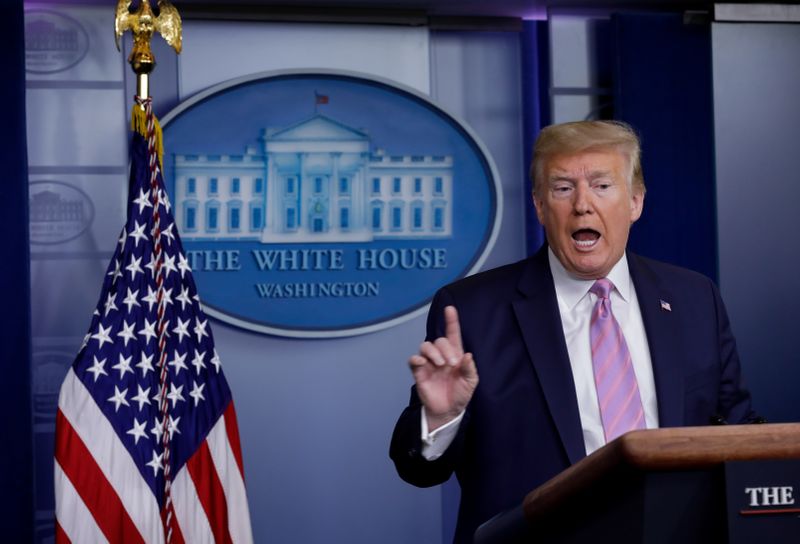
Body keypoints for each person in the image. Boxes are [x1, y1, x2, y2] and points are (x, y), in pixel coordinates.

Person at [389, 120, 757, 543]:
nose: (582, 205)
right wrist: (441, 417)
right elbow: (418, 469)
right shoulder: (472, 310)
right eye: (563, 188)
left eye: (602, 186)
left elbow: (738, 433)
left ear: (635, 201)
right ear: (540, 206)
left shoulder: (695, 299)